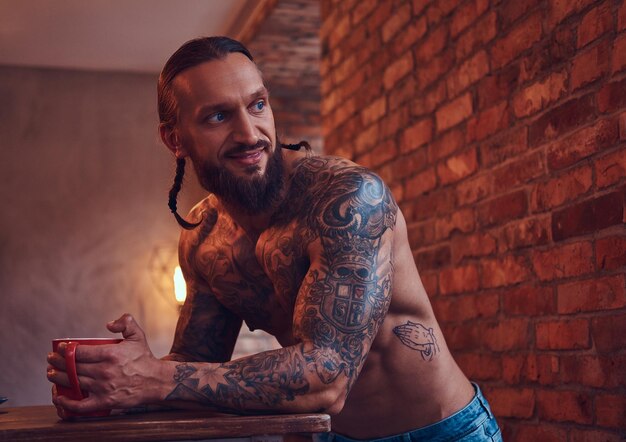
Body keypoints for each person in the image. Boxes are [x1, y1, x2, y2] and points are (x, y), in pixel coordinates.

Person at [47, 36, 502, 441]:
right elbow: (195, 362)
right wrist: (114, 380)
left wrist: (153, 380)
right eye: (218, 116)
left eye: (257, 105)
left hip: (441, 432)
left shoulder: (346, 199)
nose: (249, 133)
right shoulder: (203, 240)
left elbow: (328, 376)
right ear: (174, 139)